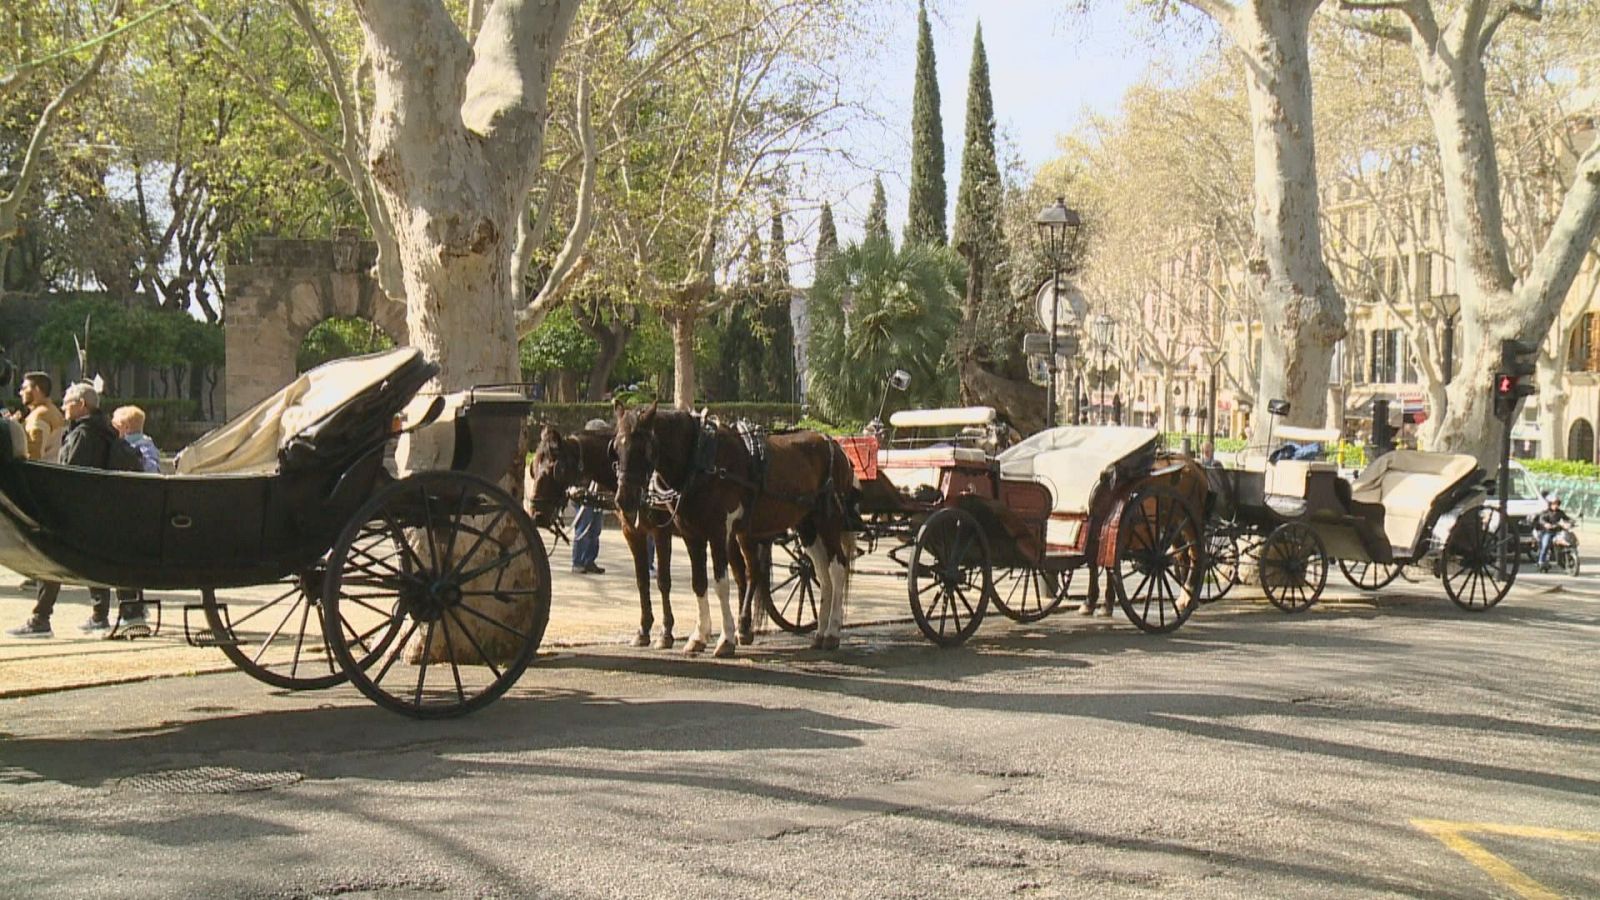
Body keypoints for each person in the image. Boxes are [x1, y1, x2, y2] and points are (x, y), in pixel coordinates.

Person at [7, 383, 149, 639]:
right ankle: (106, 615)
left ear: (82, 405)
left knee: (49, 552)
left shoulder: (84, 434)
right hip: (103, 514)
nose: (62, 407)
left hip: (81, 513)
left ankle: (41, 619)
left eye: (67, 402)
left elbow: (71, 476)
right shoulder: (105, 431)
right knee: (96, 561)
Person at [570, 418, 609, 575]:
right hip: (584, 495)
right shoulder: (582, 454)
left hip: (597, 495)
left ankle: (589, 560)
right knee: (583, 528)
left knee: (595, 530)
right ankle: (578, 561)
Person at [111, 405, 161, 473]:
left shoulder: (144, 446)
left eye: (115, 425)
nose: (112, 429)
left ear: (126, 427)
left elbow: (152, 469)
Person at [1533, 494, 1576, 573]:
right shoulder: (1545, 513)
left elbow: (1567, 518)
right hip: (1548, 532)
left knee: (1569, 539)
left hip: (1558, 532)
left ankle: (1565, 556)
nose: (1555, 505)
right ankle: (1541, 561)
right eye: (1553, 504)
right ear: (1549, 504)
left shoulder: (1560, 512)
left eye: (1557, 503)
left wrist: (1571, 522)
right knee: (1545, 545)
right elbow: (1541, 520)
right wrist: (1546, 524)